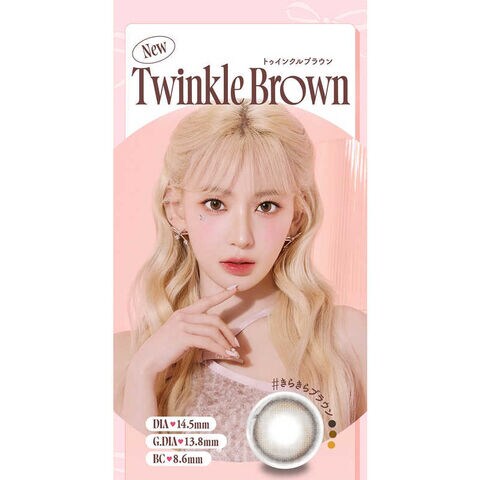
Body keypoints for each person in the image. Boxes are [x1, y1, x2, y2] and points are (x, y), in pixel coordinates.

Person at [114, 101, 366, 462]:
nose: (242, 237)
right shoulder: (125, 358)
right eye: (215, 204)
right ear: (176, 210)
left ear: (296, 217)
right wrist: (144, 373)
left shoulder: (345, 340)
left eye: (266, 206)